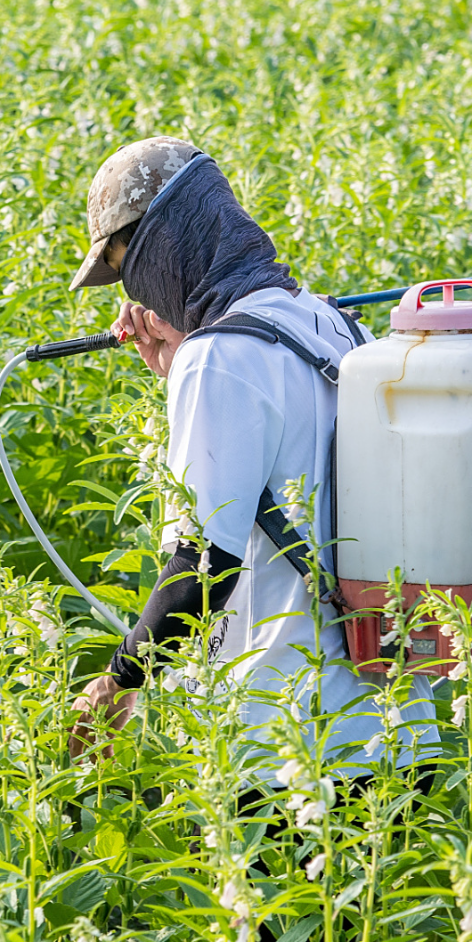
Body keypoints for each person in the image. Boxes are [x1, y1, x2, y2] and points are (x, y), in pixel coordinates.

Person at [62, 135, 435, 777]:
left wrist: (117, 683)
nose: (138, 296)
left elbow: (202, 568)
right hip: (397, 735)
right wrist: (184, 369)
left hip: (290, 751)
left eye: (130, 272)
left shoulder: (221, 360)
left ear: (163, 249)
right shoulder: (335, 325)